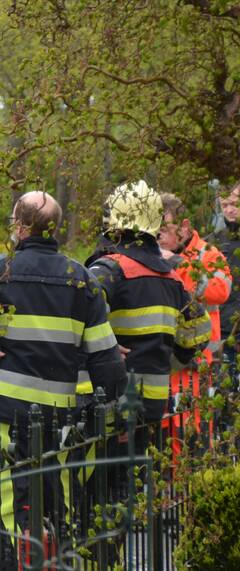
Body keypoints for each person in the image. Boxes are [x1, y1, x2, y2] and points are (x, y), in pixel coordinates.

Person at [0, 191, 126, 571]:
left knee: (6, 506)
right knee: (57, 502)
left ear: (19, 226)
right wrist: (113, 413)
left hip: (5, 411)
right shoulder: (81, 280)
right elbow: (106, 358)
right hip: (60, 416)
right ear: (56, 229)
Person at [86, 182, 210, 449]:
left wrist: (105, 347)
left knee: (102, 485)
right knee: (138, 482)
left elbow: (79, 311)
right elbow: (200, 330)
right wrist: (166, 358)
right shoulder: (170, 276)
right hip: (153, 400)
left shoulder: (109, 269)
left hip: (109, 402)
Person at [157, 192, 229, 414]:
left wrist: (177, 265)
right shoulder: (152, 255)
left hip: (196, 363)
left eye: (165, 229)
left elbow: (220, 290)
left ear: (185, 226)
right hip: (163, 359)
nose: (159, 236)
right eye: (155, 229)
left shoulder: (207, 254)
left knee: (189, 434)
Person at [216, 182, 240, 375]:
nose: (230, 210)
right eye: (225, 205)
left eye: (235, 203)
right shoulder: (214, 242)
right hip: (223, 333)